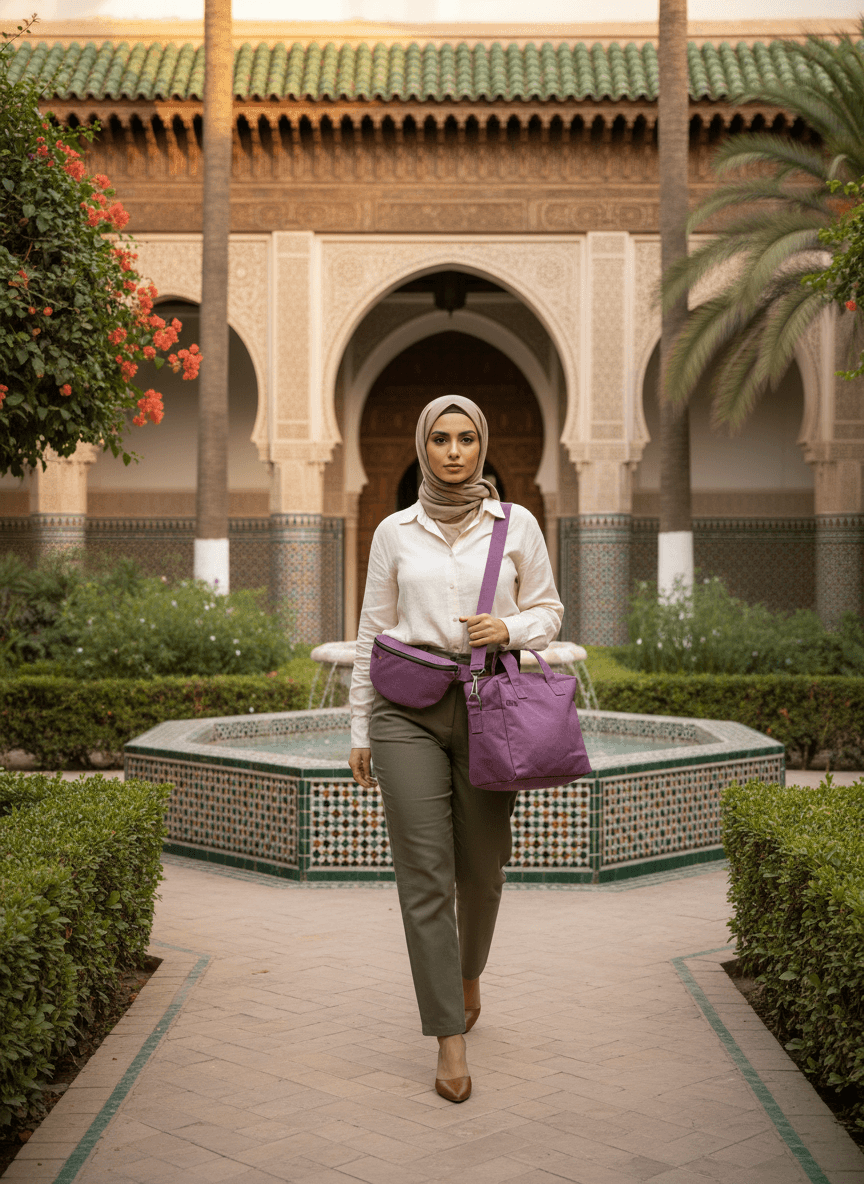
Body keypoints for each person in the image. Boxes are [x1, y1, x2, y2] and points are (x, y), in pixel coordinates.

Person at [348, 394, 564, 1102]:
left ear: (481, 445)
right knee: (424, 877)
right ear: (423, 446)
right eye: (439, 438)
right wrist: (358, 729)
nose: (452, 451)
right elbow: (370, 633)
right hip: (405, 712)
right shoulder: (394, 532)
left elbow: (550, 610)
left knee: (483, 871)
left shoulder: (517, 524)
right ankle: (448, 1036)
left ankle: (468, 970)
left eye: (465, 438)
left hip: (489, 707)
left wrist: (510, 631)